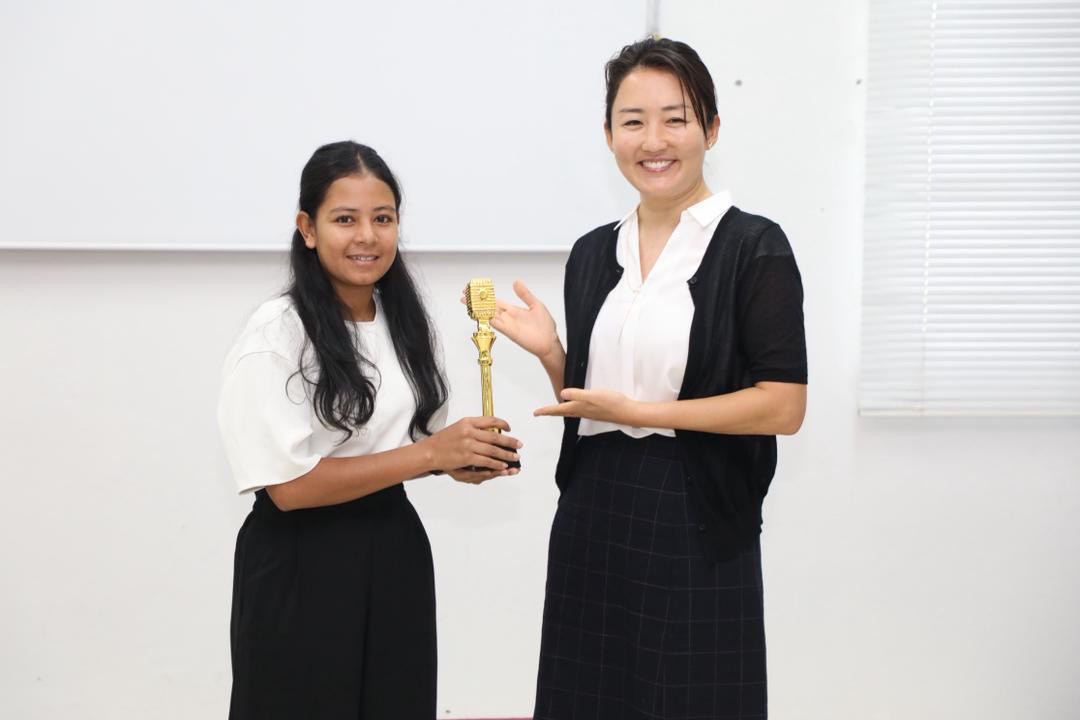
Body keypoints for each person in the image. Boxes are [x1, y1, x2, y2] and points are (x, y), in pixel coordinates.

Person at [491, 39, 807, 718]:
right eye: (632, 121)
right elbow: (595, 405)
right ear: (609, 134)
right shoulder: (591, 254)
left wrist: (643, 414)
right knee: (589, 698)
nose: (654, 141)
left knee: (691, 698)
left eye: (676, 118)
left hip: (697, 512)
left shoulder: (754, 247)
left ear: (711, 129)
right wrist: (553, 354)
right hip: (595, 508)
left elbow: (782, 406)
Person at [218, 141, 522, 720]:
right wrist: (429, 456)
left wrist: (457, 459)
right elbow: (289, 488)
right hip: (300, 561)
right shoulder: (276, 331)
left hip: (394, 549)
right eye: (345, 220)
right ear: (307, 229)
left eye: (383, 219)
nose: (367, 236)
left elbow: (403, 447)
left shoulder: (402, 320)